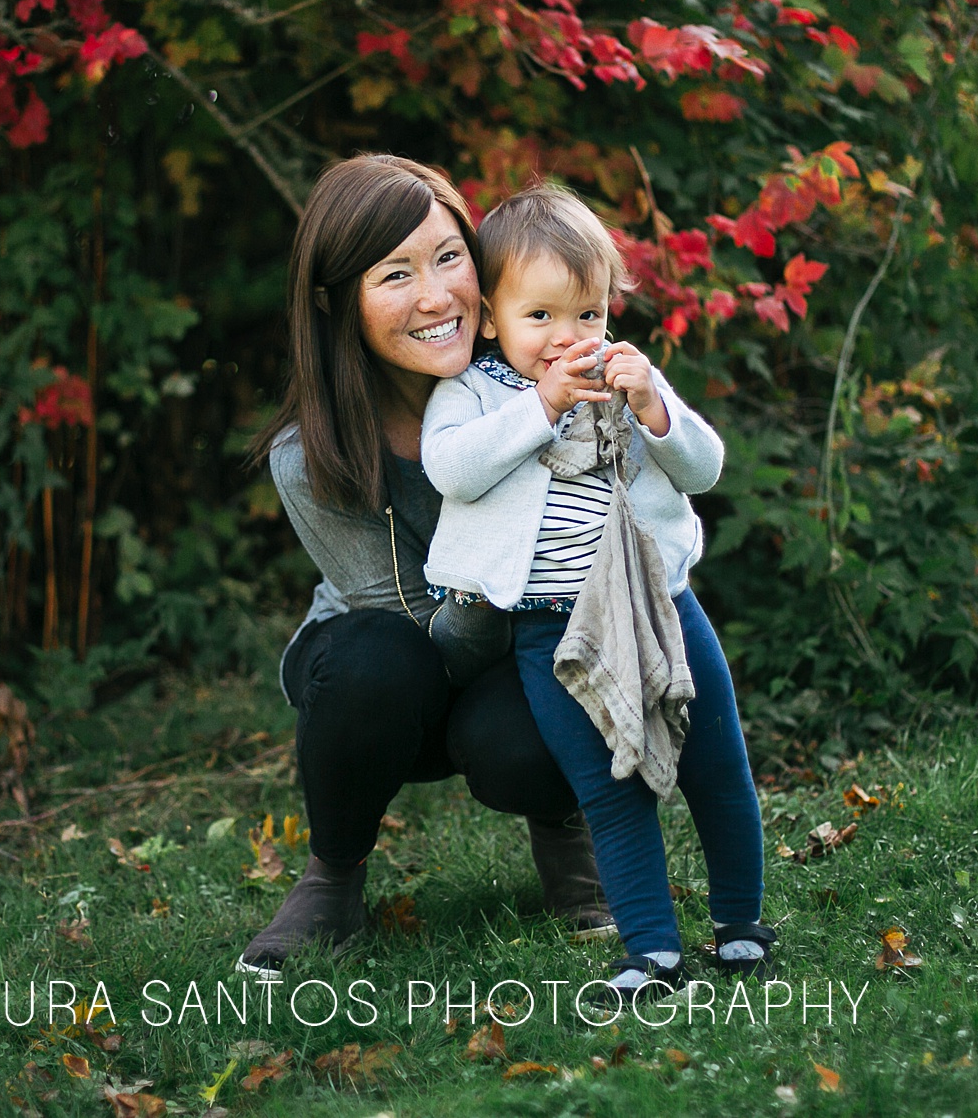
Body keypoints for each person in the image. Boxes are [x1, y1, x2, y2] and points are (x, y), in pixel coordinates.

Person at [236, 155, 614, 976]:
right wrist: (488, 574)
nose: (437, 295)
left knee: (533, 715)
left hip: (513, 657)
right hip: (389, 673)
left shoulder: (541, 378)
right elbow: (415, 625)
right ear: (338, 301)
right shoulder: (309, 456)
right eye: (395, 273)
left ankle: (567, 833)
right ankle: (333, 876)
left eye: (449, 257)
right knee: (375, 658)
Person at [418, 183, 775, 1001]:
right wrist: (540, 406)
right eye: (539, 317)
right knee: (608, 789)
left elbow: (704, 468)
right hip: (553, 632)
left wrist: (654, 408)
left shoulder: (626, 377)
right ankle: (651, 950)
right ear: (491, 318)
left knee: (716, 764)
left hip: (661, 606)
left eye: (587, 314)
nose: (567, 338)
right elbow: (454, 470)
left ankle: (741, 925)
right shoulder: (472, 396)